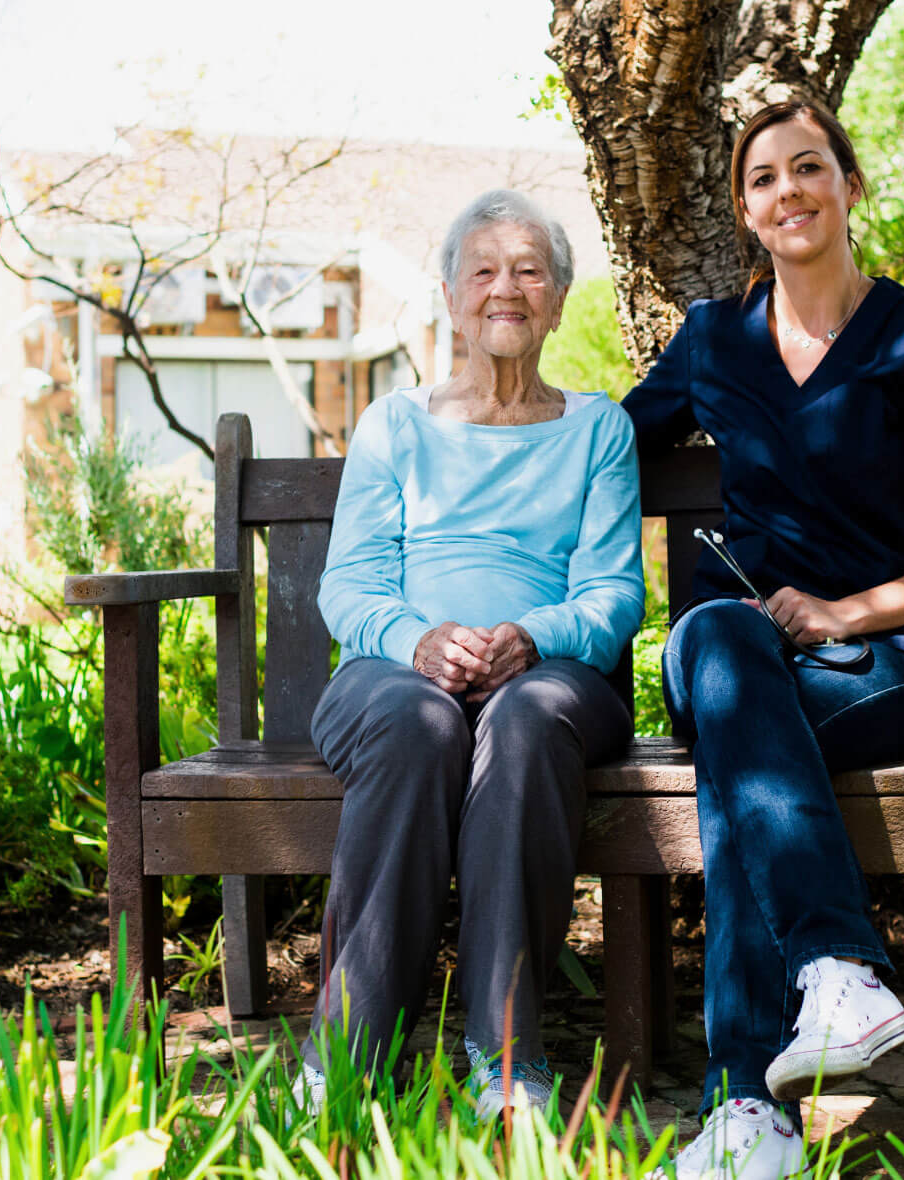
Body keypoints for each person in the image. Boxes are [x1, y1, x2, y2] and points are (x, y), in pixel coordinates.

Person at [621, 101, 904, 1180]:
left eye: (807, 168)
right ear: (745, 211)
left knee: (737, 762)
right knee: (721, 645)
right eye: (761, 178)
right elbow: (602, 442)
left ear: (848, 184)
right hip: (738, 649)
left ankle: (746, 1107)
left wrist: (845, 612)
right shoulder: (711, 339)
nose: (785, 191)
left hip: (884, 668)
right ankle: (836, 969)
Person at [301, 188, 645, 1116]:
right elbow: (351, 586)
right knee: (421, 726)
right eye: (484, 271)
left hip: (551, 686)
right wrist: (416, 643)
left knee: (525, 720)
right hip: (394, 680)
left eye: (530, 270)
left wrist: (534, 637)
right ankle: (345, 1060)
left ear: (560, 299)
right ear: (452, 298)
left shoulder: (598, 431)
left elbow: (614, 595)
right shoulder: (397, 425)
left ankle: (504, 1059)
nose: (507, 289)